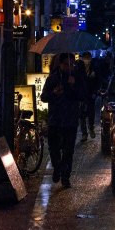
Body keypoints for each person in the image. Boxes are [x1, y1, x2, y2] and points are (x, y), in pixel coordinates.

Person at [41, 53, 83, 187]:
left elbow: (82, 95)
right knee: (54, 149)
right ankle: (57, 168)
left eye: (72, 64)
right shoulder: (53, 79)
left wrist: (73, 86)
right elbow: (43, 97)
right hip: (55, 119)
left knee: (68, 150)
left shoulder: (76, 77)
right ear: (60, 64)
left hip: (70, 120)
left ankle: (66, 177)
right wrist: (54, 93)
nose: (69, 67)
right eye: (66, 64)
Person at [78, 51, 99, 142]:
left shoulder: (94, 67)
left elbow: (98, 81)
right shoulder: (79, 67)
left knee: (91, 113)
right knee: (82, 114)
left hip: (91, 94)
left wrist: (95, 92)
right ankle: (84, 133)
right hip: (82, 94)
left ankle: (91, 128)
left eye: (88, 58)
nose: (87, 60)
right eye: (85, 58)